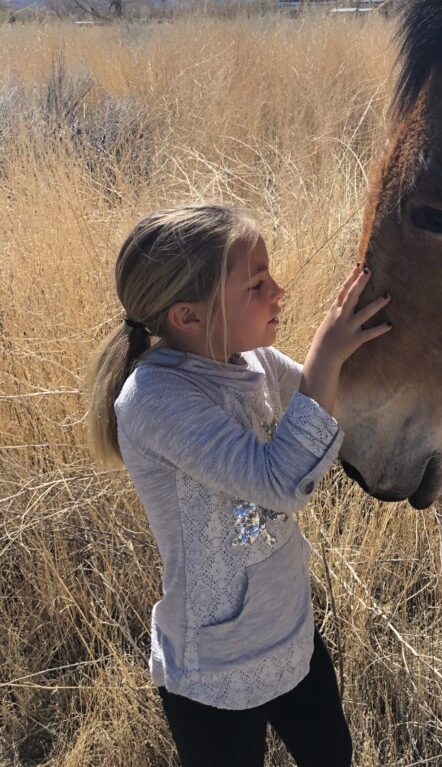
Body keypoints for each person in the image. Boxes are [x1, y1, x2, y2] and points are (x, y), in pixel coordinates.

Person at [86, 203, 392, 767]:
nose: (279, 290)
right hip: (214, 664)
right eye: (256, 284)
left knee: (332, 756)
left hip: (290, 628)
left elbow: (323, 409)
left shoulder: (251, 360)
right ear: (190, 317)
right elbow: (280, 482)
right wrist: (325, 353)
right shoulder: (156, 400)